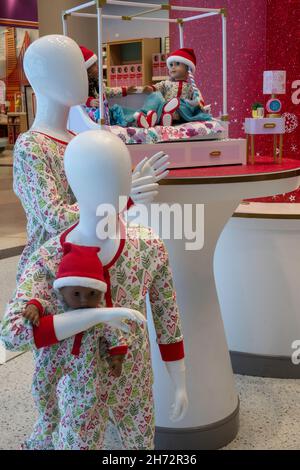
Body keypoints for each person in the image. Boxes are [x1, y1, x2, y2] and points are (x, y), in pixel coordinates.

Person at [1, 129, 188, 450]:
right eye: (98, 175)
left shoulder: (148, 246)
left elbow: (167, 318)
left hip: (135, 383)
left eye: (118, 173)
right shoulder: (50, 257)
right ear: (74, 182)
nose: (111, 185)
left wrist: (180, 380)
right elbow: (12, 333)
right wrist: (93, 317)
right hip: (78, 390)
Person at [23, 242, 126, 377]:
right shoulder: (58, 307)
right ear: (62, 290)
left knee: (89, 392)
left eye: (92, 294)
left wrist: (117, 359)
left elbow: (115, 336)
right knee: (42, 388)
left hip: (86, 367)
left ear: (101, 293)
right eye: (76, 294)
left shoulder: (101, 317)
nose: (84, 300)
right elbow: (42, 304)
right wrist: (33, 308)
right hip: (53, 363)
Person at [116, 47, 212, 128]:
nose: (173, 67)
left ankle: (167, 111)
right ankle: (152, 119)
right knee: (157, 96)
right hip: (164, 110)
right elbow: (157, 87)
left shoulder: (190, 87)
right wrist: (149, 89)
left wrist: (199, 104)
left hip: (182, 112)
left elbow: (198, 99)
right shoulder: (166, 83)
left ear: (188, 69)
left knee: (181, 103)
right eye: (171, 65)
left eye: (177, 64)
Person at [80, 45, 136, 125]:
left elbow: (108, 91)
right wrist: (89, 101)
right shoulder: (82, 86)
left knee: (119, 110)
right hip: (92, 121)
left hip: (105, 118)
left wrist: (125, 90)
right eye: (94, 65)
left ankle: (137, 117)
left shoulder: (98, 83)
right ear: (88, 70)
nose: (98, 67)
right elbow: (77, 100)